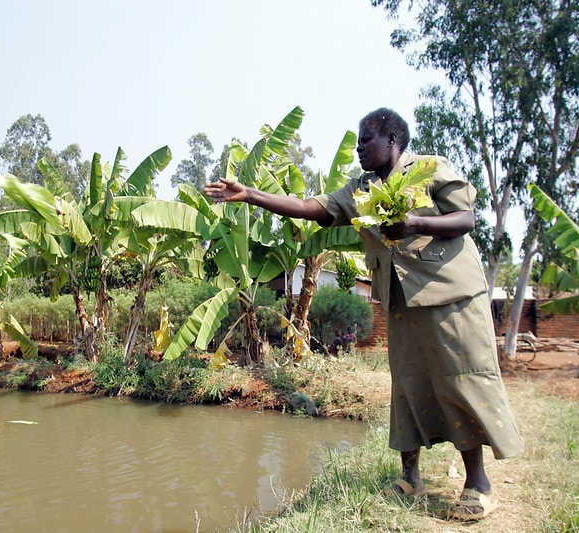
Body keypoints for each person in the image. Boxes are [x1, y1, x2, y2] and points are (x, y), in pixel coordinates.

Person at [204, 107, 524, 521]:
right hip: (401, 301)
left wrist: (412, 224)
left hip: (449, 294)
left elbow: (466, 218)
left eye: (366, 140)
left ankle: (477, 482)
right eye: (356, 142)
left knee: (459, 380)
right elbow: (310, 206)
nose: (358, 149)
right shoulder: (360, 190)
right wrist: (250, 195)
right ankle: (410, 476)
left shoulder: (429, 169)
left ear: (392, 140)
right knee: (408, 384)